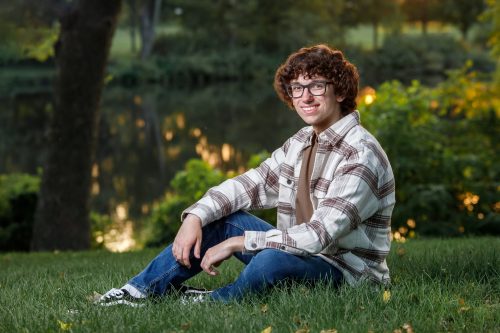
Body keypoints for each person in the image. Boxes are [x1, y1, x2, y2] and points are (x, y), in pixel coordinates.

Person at [97, 44, 396, 307]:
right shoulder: (302, 142)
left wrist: (237, 243)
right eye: (297, 88)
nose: (305, 97)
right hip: (299, 255)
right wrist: (195, 217)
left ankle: (210, 301)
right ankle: (137, 291)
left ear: (340, 91)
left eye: (317, 86)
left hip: (346, 273)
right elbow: (248, 185)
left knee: (270, 258)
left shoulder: (360, 154)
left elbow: (318, 236)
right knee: (221, 216)